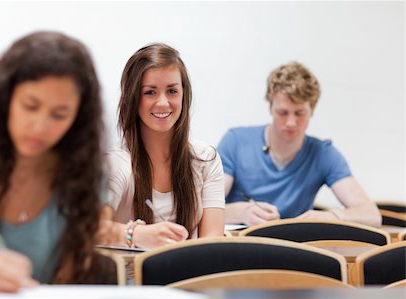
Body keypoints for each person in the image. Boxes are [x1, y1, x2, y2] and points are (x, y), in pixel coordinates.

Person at [0, 31, 114, 292]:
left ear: (78, 118)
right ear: (5, 99)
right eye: (30, 106)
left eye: (59, 114)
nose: (40, 127)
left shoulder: (85, 175)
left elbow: (70, 281)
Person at [217, 62, 381, 227]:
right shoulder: (236, 142)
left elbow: (371, 215)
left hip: (295, 249)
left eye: (299, 113)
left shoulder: (323, 154)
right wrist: (241, 212)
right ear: (271, 107)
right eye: (282, 113)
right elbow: (203, 210)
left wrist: (331, 216)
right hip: (241, 246)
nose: (291, 122)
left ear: (311, 111)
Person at [105, 43, 225, 249]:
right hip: (128, 279)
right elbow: (86, 229)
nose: (163, 103)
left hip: (187, 278)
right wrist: (136, 234)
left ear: (184, 95)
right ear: (133, 98)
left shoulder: (205, 158)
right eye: (150, 92)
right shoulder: (115, 162)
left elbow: (212, 242)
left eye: (172, 91)